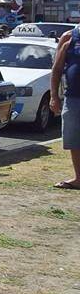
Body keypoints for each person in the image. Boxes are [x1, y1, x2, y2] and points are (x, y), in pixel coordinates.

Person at [50, 23, 80, 189]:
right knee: (74, 139)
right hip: (74, 97)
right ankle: (79, 178)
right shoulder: (69, 37)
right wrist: (54, 96)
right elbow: (57, 69)